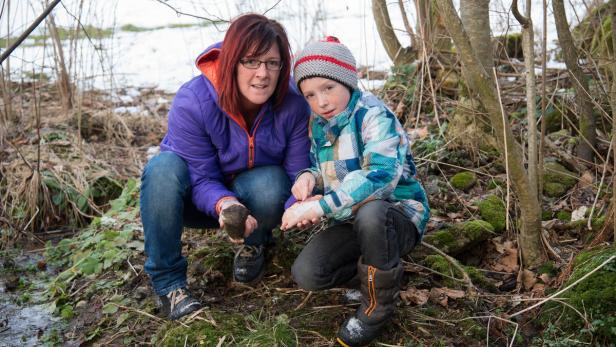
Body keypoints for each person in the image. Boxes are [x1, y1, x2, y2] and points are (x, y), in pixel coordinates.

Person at [140, 14, 311, 321]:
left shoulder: (293, 103)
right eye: (251, 61)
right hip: (197, 200)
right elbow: (200, 176)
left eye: (273, 63)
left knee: (274, 184)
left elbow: (296, 172)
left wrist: (299, 204)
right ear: (232, 61)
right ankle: (169, 285)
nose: (263, 74)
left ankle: (256, 241)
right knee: (162, 169)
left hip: (255, 195)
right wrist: (226, 204)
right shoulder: (194, 100)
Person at [282, 36, 430, 346]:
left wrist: (321, 207)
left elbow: (379, 177)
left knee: (372, 210)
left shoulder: (374, 116)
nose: (321, 102)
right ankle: (374, 280)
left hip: (396, 215)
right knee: (308, 273)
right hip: (349, 217)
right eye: (310, 95)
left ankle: (376, 309)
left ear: (347, 81)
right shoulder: (320, 124)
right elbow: (328, 172)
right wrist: (309, 179)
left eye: (328, 89)